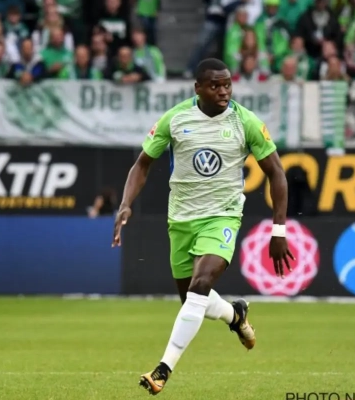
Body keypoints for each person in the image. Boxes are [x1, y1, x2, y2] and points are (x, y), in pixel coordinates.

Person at [111, 58, 294, 395]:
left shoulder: (246, 122)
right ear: (198, 88)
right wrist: (125, 204)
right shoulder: (176, 118)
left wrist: (279, 231)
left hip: (222, 217)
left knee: (200, 286)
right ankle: (235, 315)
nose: (223, 91)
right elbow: (142, 164)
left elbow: (277, 174)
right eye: (215, 86)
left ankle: (163, 369)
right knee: (193, 300)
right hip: (181, 220)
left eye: (227, 85)